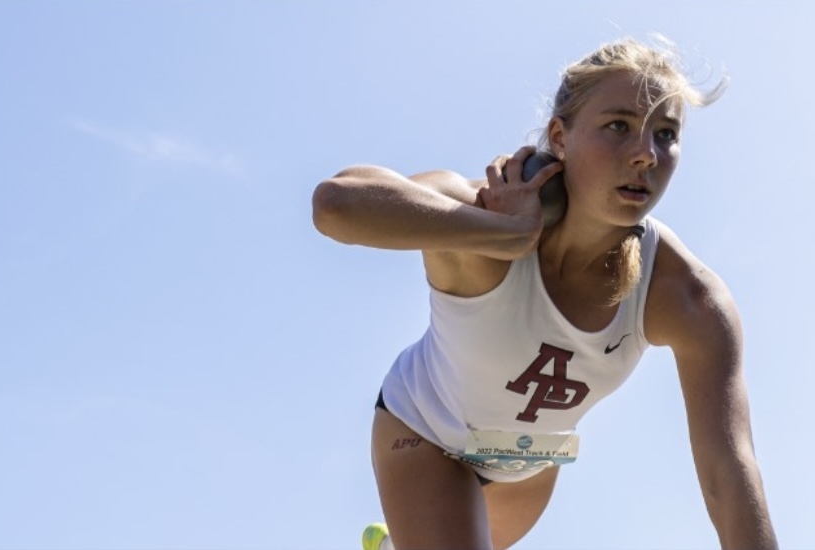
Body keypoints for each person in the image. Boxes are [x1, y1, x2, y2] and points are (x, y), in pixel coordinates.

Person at [311, 37, 778, 550]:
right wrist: (503, 235)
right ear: (560, 137)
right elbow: (336, 204)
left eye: (665, 134)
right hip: (425, 434)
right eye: (618, 125)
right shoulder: (486, 209)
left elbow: (728, 471)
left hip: (527, 471)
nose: (646, 154)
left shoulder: (687, 296)